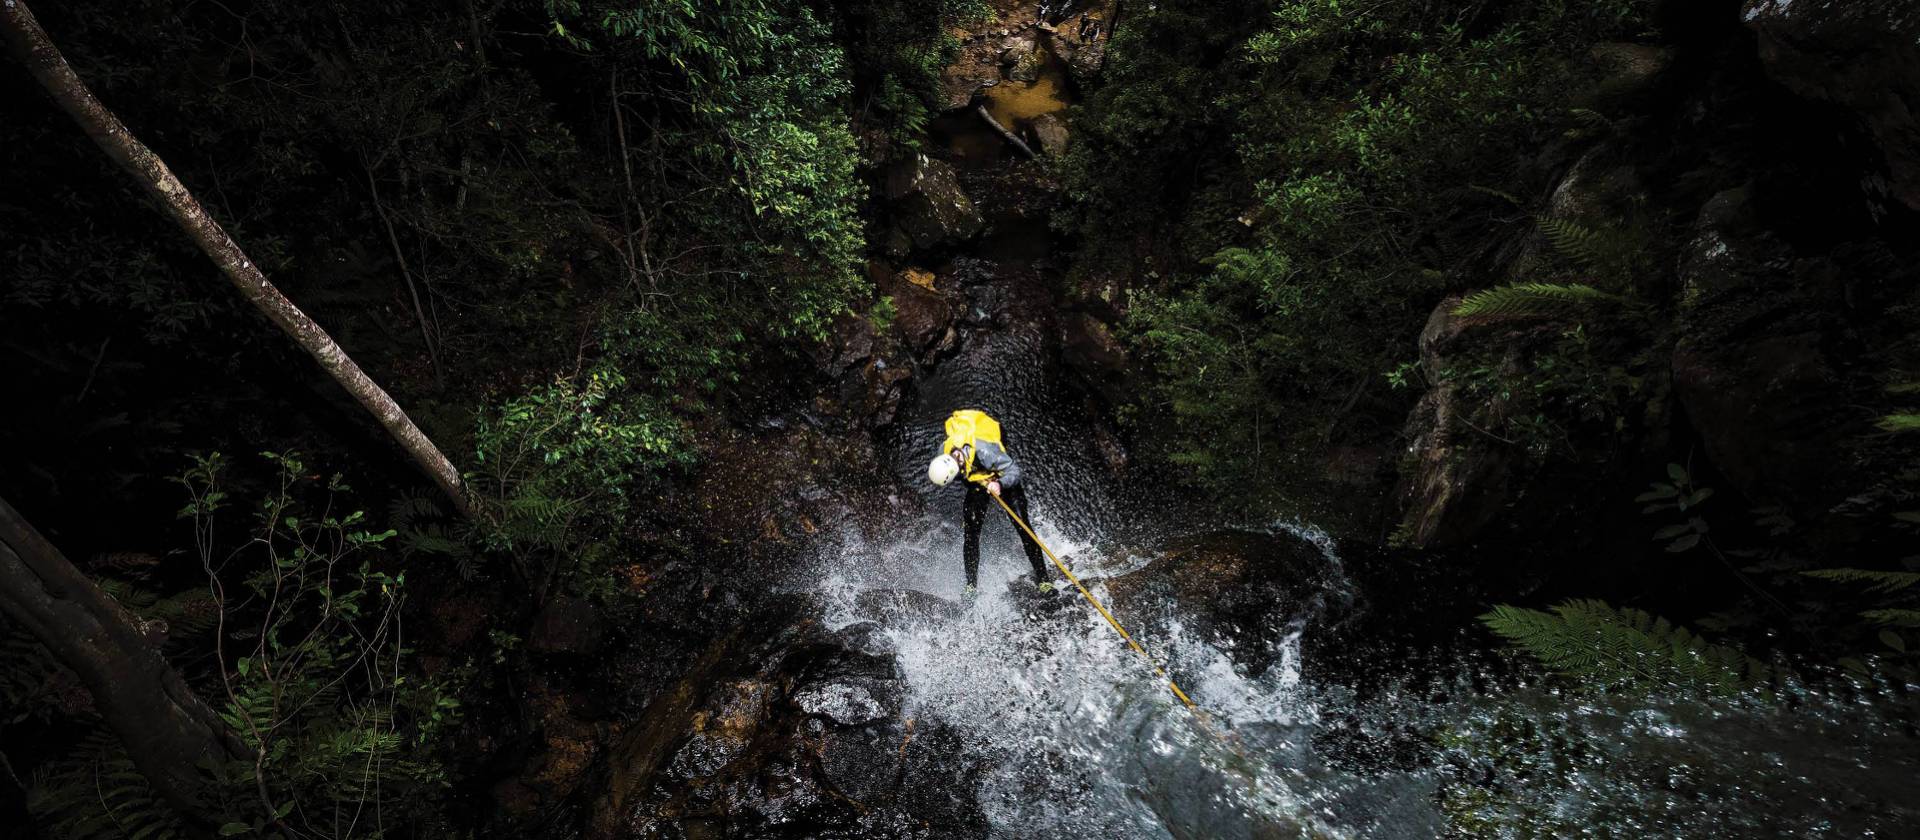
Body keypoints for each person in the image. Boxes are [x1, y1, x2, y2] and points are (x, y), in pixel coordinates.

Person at [926, 409, 1053, 594]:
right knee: (971, 532)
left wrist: (999, 484)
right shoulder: (943, 453)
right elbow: (966, 477)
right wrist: (981, 483)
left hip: (1000, 476)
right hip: (978, 479)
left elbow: (1015, 471)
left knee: (1023, 526)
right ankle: (971, 586)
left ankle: (1044, 580)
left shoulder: (985, 451)